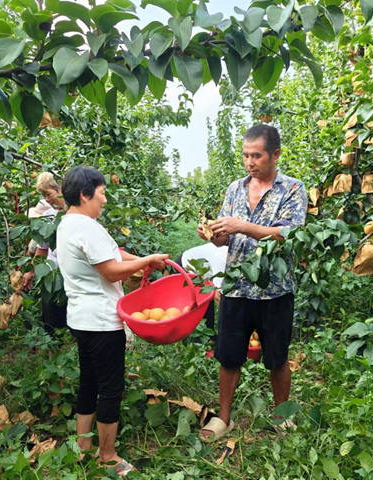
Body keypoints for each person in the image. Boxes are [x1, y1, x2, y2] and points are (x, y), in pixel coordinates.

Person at [196, 125, 307, 441]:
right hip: (236, 287)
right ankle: (225, 418)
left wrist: (242, 225)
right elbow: (223, 239)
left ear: (275, 154)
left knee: (277, 358)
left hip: (275, 290)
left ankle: (282, 417)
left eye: (256, 155)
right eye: (245, 155)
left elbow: (289, 235)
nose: (249, 162)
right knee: (229, 356)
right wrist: (214, 234)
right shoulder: (234, 189)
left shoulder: (293, 189)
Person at [56, 166, 169, 475]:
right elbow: (109, 271)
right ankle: (108, 456)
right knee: (110, 387)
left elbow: (113, 253)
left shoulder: (68, 224)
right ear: (85, 194)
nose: (105, 199)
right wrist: (145, 262)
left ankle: (82, 448)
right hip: (102, 320)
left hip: (81, 318)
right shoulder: (87, 227)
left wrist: (143, 260)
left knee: (89, 382)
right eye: (102, 192)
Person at [23, 172, 67, 335]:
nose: (47, 200)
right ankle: (53, 350)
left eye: (48, 194)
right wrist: (31, 271)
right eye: (44, 195)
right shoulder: (49, 216)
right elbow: (42, 249)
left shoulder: (77, 215)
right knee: (51, 318)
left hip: (71, 275)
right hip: (51, 275)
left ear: (61, 189)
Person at [175, 243, 228, 342]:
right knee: (202, 304)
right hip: (185, 267)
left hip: (202, 273)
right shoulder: (222, 257)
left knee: (207, 300)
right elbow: (218, 296)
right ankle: (201, 342)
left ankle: (210, 338)